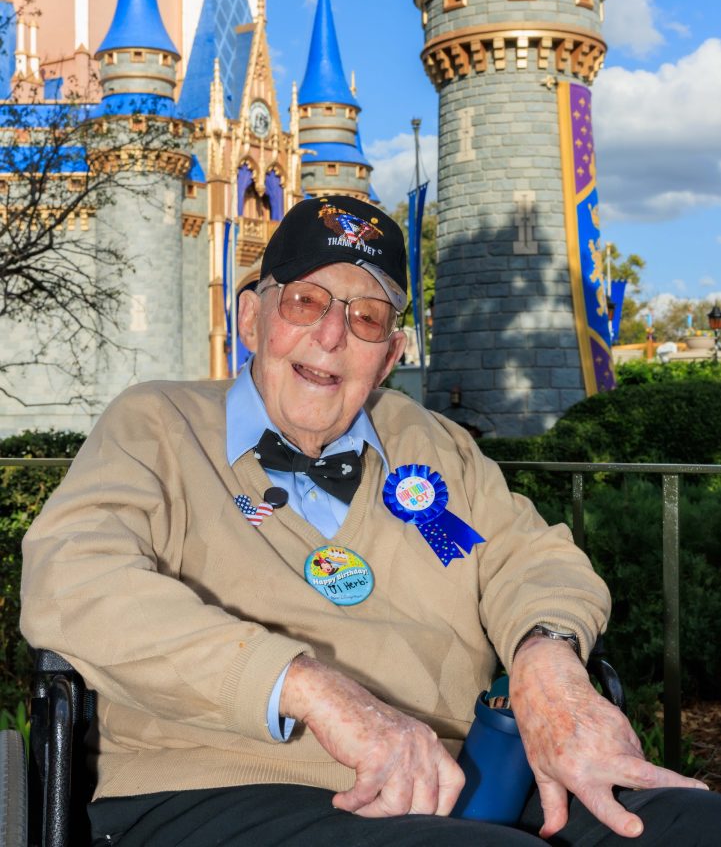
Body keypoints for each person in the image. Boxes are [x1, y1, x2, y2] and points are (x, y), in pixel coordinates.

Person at [20, 195, 719, 846]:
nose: (331, 335)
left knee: (696, 825)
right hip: (219, 783)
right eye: (305, 301)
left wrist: (545, 653)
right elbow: (71, 579)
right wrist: (310, 688)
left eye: (366, 318)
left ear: (388, 355)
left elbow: (531, 558)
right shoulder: (156, 425)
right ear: (250, 318)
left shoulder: (432, 443)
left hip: (461, 783)